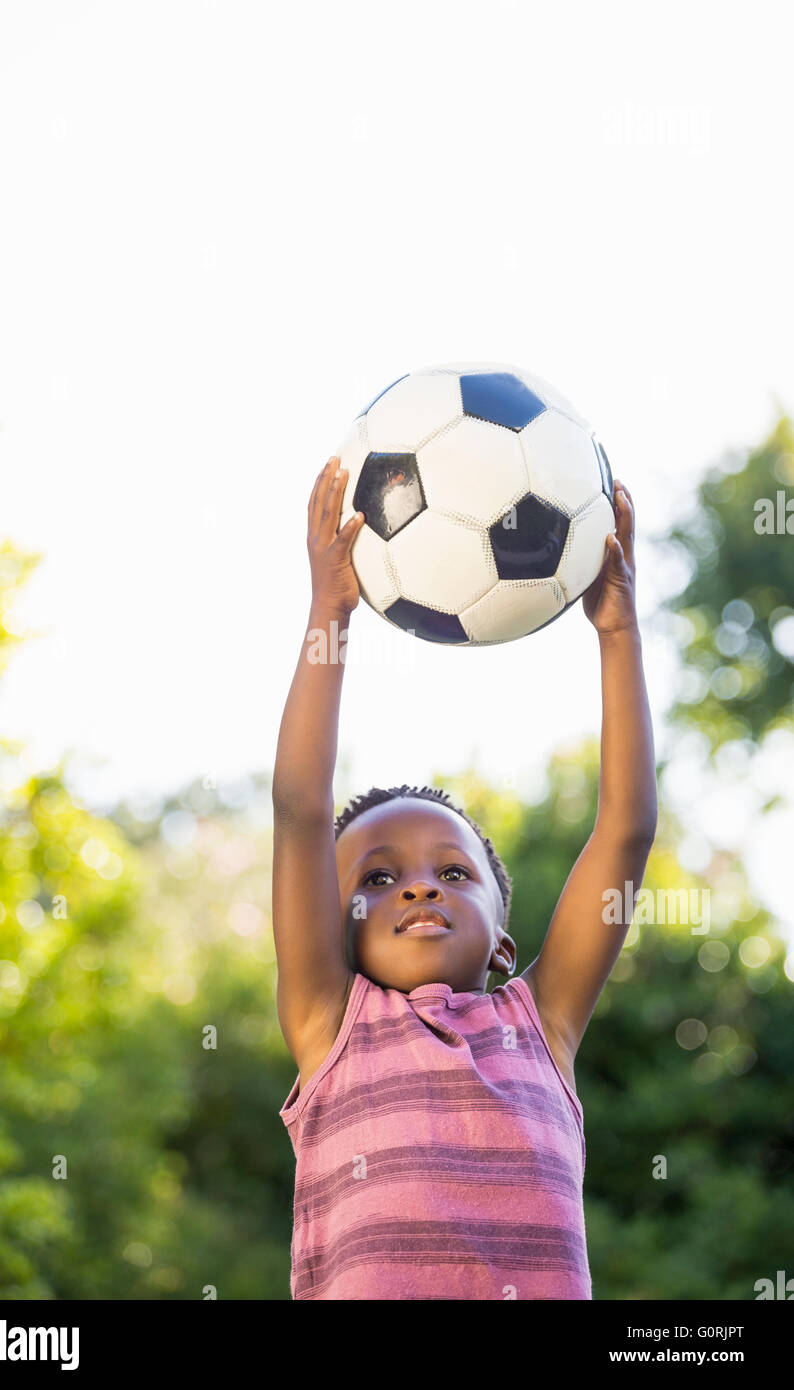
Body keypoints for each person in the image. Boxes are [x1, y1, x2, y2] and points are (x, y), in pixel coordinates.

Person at [271, 454, 657, 1299]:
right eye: (375, 879)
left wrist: (619, 635)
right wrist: (328, 609)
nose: (417, 887)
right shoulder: (331, 1026)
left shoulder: (542, 1025)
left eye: (452, 870)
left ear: (502, 946)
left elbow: (624, 835)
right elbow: (301, 806)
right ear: (329, 934)